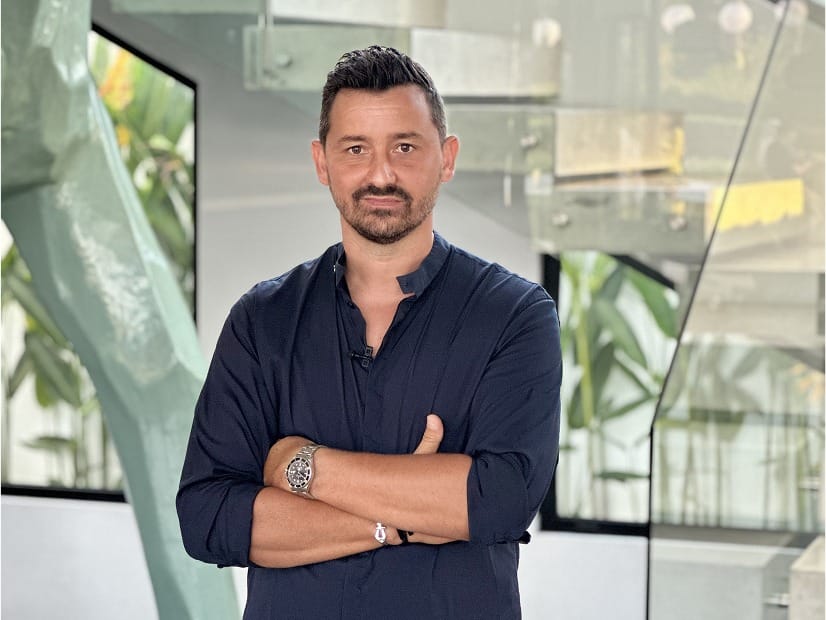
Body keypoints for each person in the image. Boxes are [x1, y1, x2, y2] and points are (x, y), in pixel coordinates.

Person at [177, 45, 562, 619]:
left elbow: (500, 500)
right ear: (322, 162)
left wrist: (299, 466)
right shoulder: (262, 320)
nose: (381, 174)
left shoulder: (514, 314)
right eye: (356, 149)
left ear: (446, 158)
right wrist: (404, 520)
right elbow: (208, 518)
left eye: (405, 147)